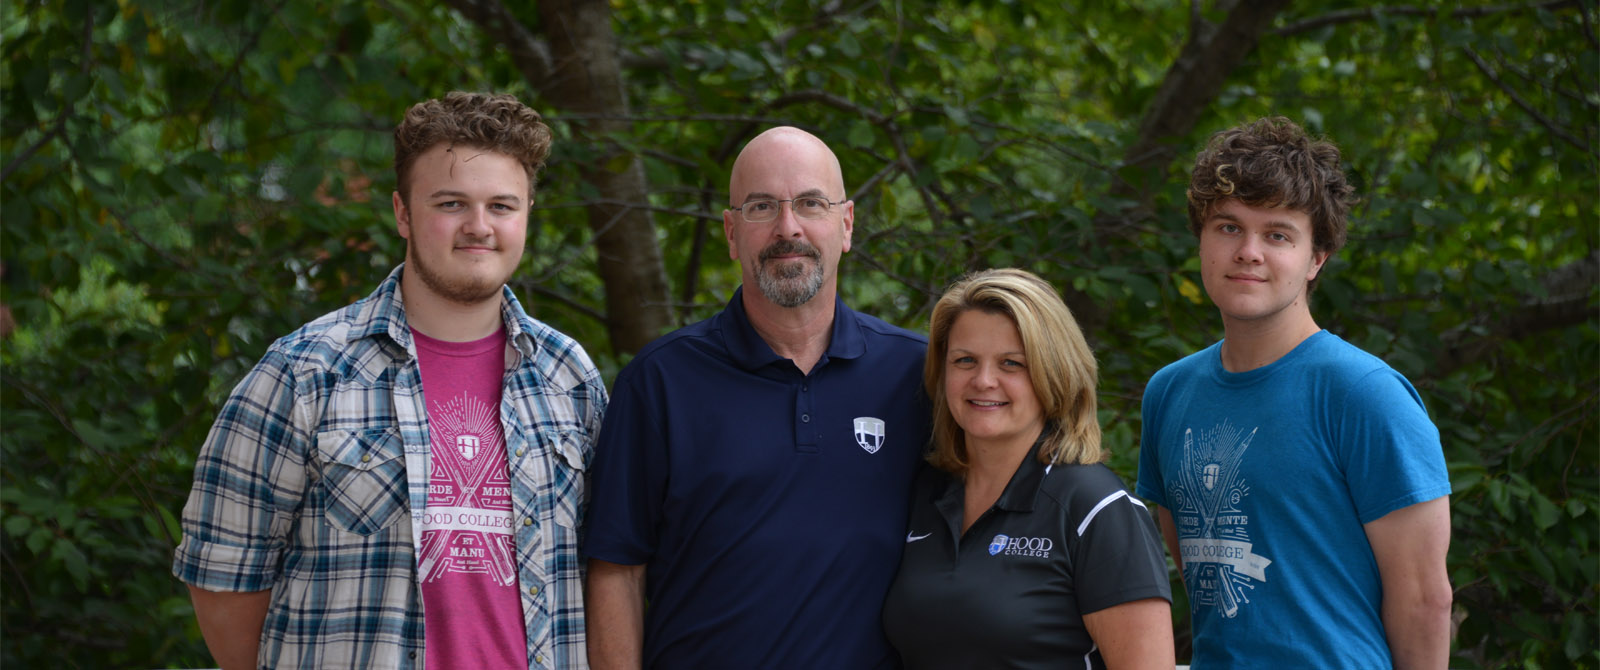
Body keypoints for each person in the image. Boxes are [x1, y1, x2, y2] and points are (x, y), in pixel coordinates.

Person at [172, 92, 606, 670]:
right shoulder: (303, 373)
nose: (479, 227)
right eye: (451, 203)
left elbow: (605, 572)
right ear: (402, 213)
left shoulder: (568, 376)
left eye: (502, 206)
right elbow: (224, 583)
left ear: (527, 213)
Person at [583, 126, 931, 669]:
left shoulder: (917, 375)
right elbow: (616, 572)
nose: (786, 227)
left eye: (811, 203)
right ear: (730, 231)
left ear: (846, 225)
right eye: (762, 206)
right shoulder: (660, 382)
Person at [1136, 117, 1453, 668]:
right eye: (1228, 227)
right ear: (1201, 239)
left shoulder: (1364, 395)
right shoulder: (1168, 392)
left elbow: (1425, 600)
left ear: (1317, 258)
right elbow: (1198, 568)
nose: (1248, 251)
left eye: (1278, 234)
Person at [881, 268, 1174, 669]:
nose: (984, 381)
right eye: (965, 360)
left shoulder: (1096, 508)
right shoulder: (925, 491)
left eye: (1011, 364)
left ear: (1053, 373)